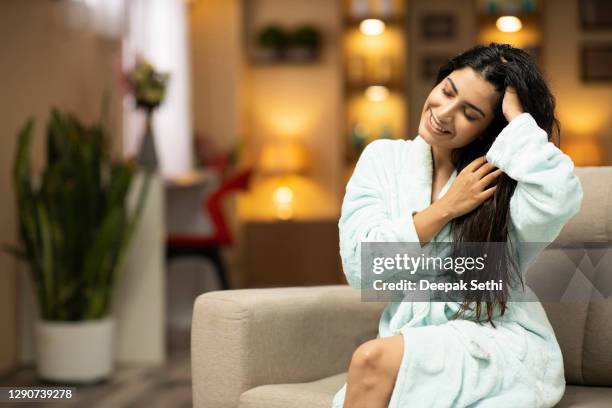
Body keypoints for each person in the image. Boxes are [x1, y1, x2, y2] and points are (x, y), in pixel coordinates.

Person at [331, 43, 584, 408]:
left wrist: (519, 120)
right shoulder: (383, 159)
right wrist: (446, 208)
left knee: (370, 360)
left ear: (487, 130)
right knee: (374, 366)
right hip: (415, 339)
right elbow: (362, 268)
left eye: (470, 112)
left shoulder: (506, 183)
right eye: (447, 91)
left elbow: (560, 195)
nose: (443, 113)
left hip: (496, 340)